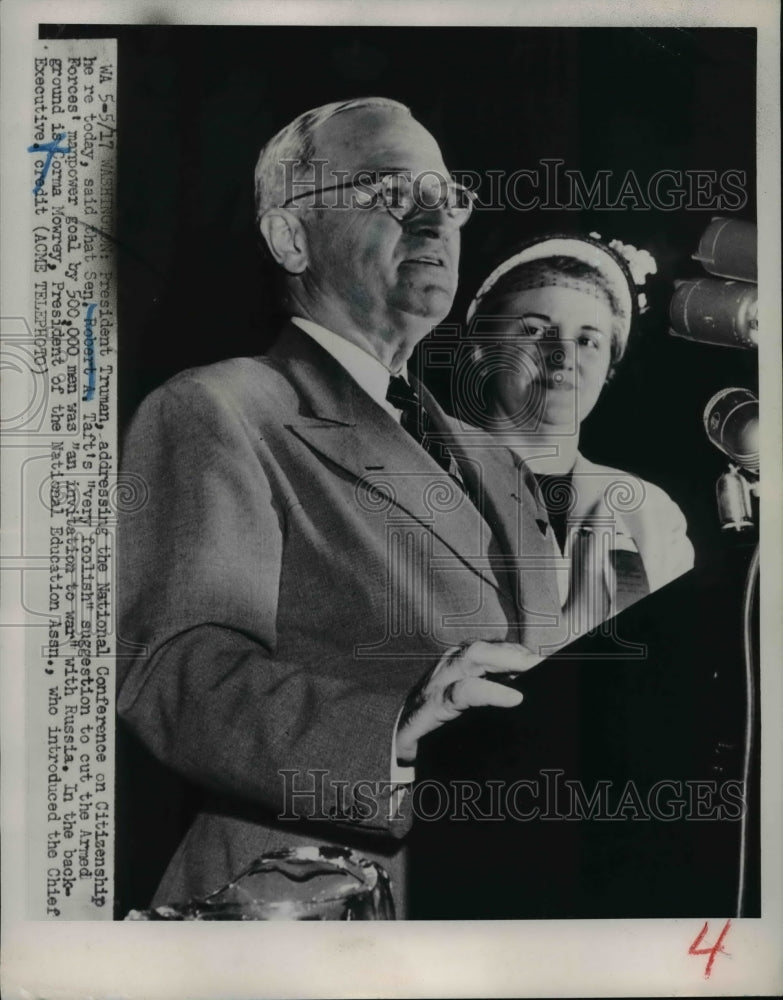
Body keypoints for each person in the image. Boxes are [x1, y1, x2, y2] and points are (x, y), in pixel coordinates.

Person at [117, 98, 560, 917]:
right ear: (290, 237)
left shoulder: (498, 458)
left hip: (494, 900)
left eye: (447, 195)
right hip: (305, 902)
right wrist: (392, 725)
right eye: (389, 191)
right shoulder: (221, 408)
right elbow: (177, 675)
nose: (433, 219)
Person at [462, 234, 694, 648]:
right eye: (535, 329)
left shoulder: (648, 512)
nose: (563, 354)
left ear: (609, 368)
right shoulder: (426, 481)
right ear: (482, 346)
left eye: (588, 340)